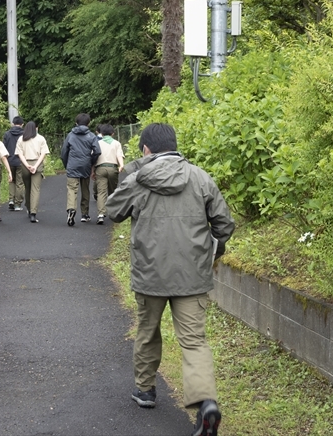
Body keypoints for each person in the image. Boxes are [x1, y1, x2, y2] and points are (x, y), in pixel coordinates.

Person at [105, 123, 235, 436]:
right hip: (192, 275)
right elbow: (224, 225)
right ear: (175, 145)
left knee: (148, 331)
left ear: (146, 149)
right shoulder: (200, 176)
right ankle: (205, 404)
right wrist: (211, 252)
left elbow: (113, 211)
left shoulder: (139, 179)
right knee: (193, 341)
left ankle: (146, 390)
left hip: (150, 273)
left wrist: (134, 175)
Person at [60, 113, 101, 226]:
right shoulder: (92, 136)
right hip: (86, 165)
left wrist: (67, 164)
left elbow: (64, 153)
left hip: (72, 165)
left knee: (72, 189)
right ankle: (85, 214)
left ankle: (71, 209)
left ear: (76, 123)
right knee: (85, 189)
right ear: (89, 123)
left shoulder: (70, 135)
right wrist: (91, 161)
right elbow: (97, 151)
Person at [15, 121, 50, 223]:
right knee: (36, 189)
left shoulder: (21, 139)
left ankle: (29, 208)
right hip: (37, 165)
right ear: (36, 128)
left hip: (25, 165)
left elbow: (20, 154)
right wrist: (35, 166)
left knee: (28, 188)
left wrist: (27, 165)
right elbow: (43, 154)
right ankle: (33, 214)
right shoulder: (41, 138)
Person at [92, 124, 124, 224]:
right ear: (113, 133)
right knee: (113, 191)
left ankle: (101, 214)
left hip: (100, 168)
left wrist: (92, 171)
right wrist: (121, 165)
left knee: (101, 192)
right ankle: (113, 212)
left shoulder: (97, 143)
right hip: (112, 168)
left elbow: (93, 158)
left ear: (101, 133)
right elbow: (119, 155)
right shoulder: (116, 143)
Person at [2, 116, 25, 211]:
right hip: (20, 161)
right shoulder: (24, 134)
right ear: (22, 124)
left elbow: (3, 148)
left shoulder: (7, 134)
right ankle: (17, 204)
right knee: (20, 183)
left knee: (11, 180)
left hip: (9, 161)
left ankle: (11, 199)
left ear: (12, 123)